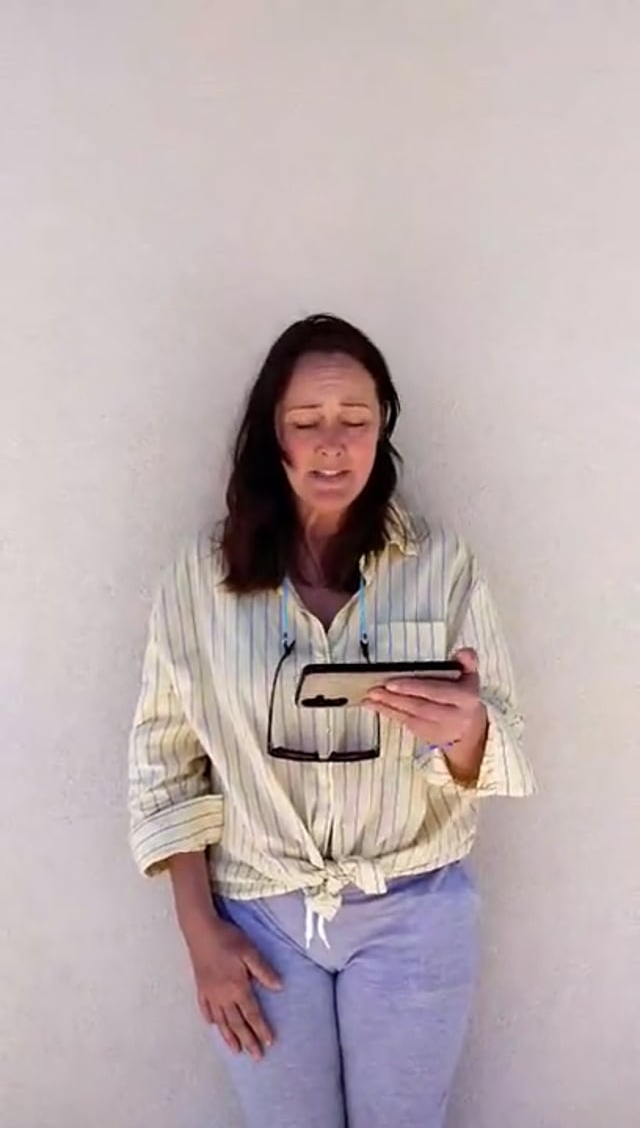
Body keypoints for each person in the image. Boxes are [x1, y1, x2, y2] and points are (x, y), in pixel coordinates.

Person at [128, 313, 535, 1128]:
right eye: (306, 421)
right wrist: (200, 933)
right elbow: (164, 760)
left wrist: (465, 732)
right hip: (259, 914)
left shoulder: (442, 564)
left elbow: (502, 744)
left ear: (383, 427)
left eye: (355, 419)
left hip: (414, 907)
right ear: (271, 436)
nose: (332, 444)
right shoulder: (200, 577)